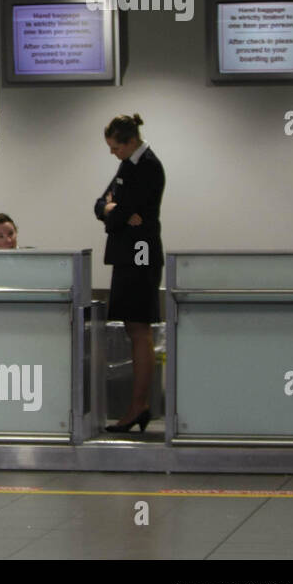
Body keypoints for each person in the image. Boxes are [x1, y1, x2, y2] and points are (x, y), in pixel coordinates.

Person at [94, 113, 165, 434]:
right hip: (126, 256)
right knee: (132, 328)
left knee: (139, 329)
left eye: (115, 147)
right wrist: (112, 210)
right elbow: (101, 205)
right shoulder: (128, 165)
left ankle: (140, 404)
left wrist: (115, 211)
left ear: (131, 141)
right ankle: (138, 404)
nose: (113, 153)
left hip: (140, 257)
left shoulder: (148, 166)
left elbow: (120, 212)